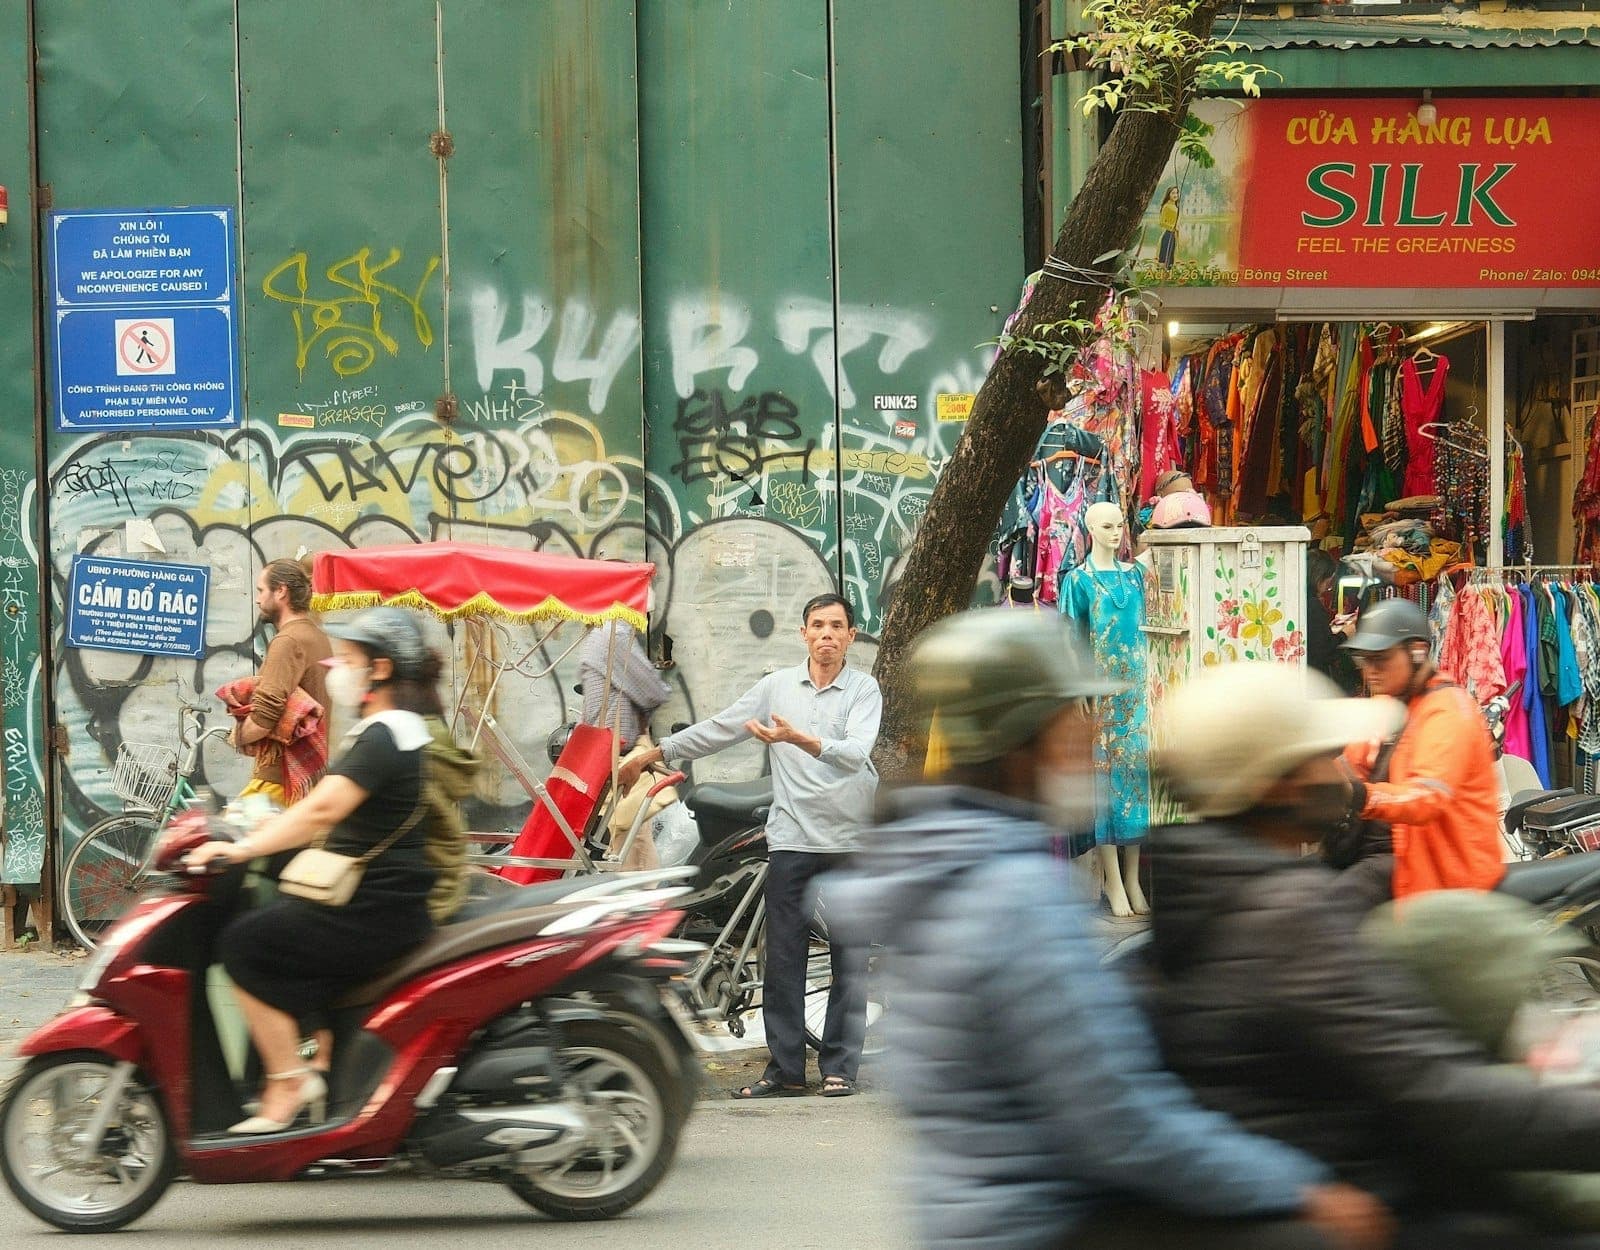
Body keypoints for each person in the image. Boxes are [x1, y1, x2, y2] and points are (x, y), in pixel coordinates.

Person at [829, 611, 1392, 1250]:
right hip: (1042, 1225)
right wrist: (1301, 1189)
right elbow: (1121, 1125)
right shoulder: (1017, 893)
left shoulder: (936, 866)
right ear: (1025, 737)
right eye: (1074, 713)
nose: (1091, 730)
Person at [1149, 662, 1600, 1247]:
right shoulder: (1288, 917)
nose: (1339, 770)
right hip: (1374, 1197)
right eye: (1323, 756)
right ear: (1278, 784)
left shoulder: (1199, 890)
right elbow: (1444, 1094)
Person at [186, 608, 441, 1134]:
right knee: (279, 916)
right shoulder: (391, 731)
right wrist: (258, 827)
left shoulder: (386, 735)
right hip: (378, 898)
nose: (336, 670)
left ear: (380, 669)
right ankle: (319, 1055)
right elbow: (329, 810)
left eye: (348, 659)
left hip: (375, 906)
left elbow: (322, 810)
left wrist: (240, 850)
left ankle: (288, 1082)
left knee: (245, 945)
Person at [618, 591, 880, 1099]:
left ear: (850, 636)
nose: (826, 635)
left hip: (849, 840)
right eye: (818, 626)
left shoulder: (864, 689)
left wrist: (796, 739)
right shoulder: (776, 686)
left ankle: (840, 1068)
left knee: (850, 957)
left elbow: (853, 754)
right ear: (803, 634)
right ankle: (785, 1072)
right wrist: (656, 752)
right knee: (783, 959)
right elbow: (721, 728)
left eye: (836, 627)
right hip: (792, 837)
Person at [1337, 597, 1503, 898]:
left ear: (1417, 652)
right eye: (1364, 660)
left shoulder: (1448, 711)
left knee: (1336, 901)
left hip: (1449, 881)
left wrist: (1359, 794)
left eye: (1381, 659)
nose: (1370, 670)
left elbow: (1427, 796)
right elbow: (1352, 764)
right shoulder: (1389, 704)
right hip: (1403, 854)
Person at [230, 558, 333, 806]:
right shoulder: (317, 636)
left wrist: (237, 736)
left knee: (225, 831)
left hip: (278, 780)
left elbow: (265, 716)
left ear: (281, 591)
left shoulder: (287, 641)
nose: (257, 600)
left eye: (261, 590)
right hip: (304, 778)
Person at [580, 619, 673, 756]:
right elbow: (654, 692)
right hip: (613, 752)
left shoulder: (598, 633)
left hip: (601, 746)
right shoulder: (615, 634)